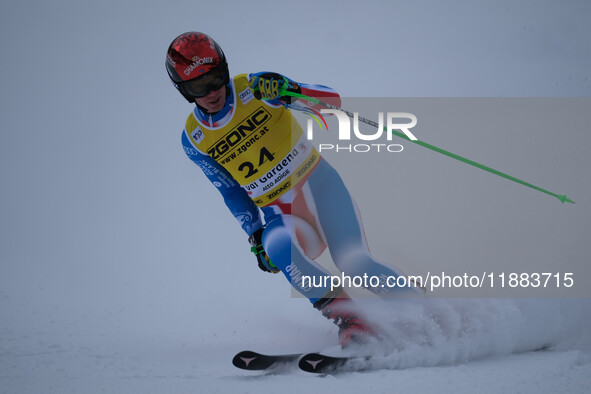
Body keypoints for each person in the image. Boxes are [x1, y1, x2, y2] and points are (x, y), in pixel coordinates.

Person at [165, 32, 418, 347]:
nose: (212, 91)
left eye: (216, 78)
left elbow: (332, 103)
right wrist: (254, 233)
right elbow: (230, 191)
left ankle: (426, 315)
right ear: (183, 91)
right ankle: (353, 322)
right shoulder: (194, 140)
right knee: (276, 243)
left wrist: (291, 91)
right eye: (198, 87)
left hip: (320, 188)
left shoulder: (255, 87)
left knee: (354, 262)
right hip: (279, 214)